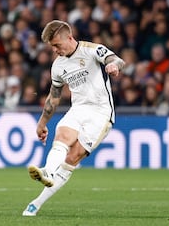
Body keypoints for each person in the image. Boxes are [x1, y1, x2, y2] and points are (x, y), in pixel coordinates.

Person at [22, 20, 125, 216]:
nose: (54, 50)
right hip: (78, 109)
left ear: (69, 38)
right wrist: (42, 123)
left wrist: (113, 65)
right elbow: (53, 97)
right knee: (61, 136)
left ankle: (37, 202)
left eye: (56, 45)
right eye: (52, 46)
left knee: (71, 157)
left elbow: (117, 59)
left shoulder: (92, 50)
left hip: (101, 113)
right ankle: (47, 171)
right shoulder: (58, 66)